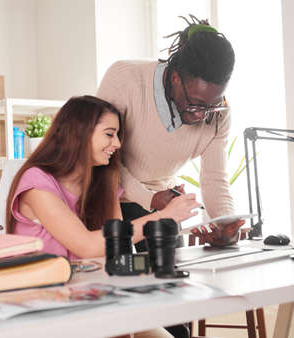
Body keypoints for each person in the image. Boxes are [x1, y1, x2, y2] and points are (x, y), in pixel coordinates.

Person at [96, 16, 244, 338]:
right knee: (120, 305)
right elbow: (103, 157)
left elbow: (216, 179)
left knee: (175, 313)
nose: (201, 115)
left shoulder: (218, 114)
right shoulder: (125, 79)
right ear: (175, 77)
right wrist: (150, 199)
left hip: (163, 204)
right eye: (195, 104)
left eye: (212, 105)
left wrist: (225, 222)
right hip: (112, 198)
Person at [5, 95, 199, 338]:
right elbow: (87, 246)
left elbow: (120, 251)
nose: (117, 144)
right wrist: (163, 217)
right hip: (47, 305)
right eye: (109, 134)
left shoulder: (102, 183)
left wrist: (158, 264)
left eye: (117, 135)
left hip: (93, 297)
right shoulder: (36, 183)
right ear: (79, 133)